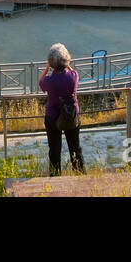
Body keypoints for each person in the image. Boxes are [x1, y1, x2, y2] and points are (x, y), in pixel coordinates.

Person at [38, 43, 84, 176]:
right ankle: (79, 174)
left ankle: (55, 175)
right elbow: (71, 70)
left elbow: (40, 82)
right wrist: (66, 64)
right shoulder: (73, 77)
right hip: (71, 115)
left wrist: (47, 68)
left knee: (54, 149)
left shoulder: (49, 81)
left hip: (53, 117)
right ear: (67, 59)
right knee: (75, 147)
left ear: (51, 62)